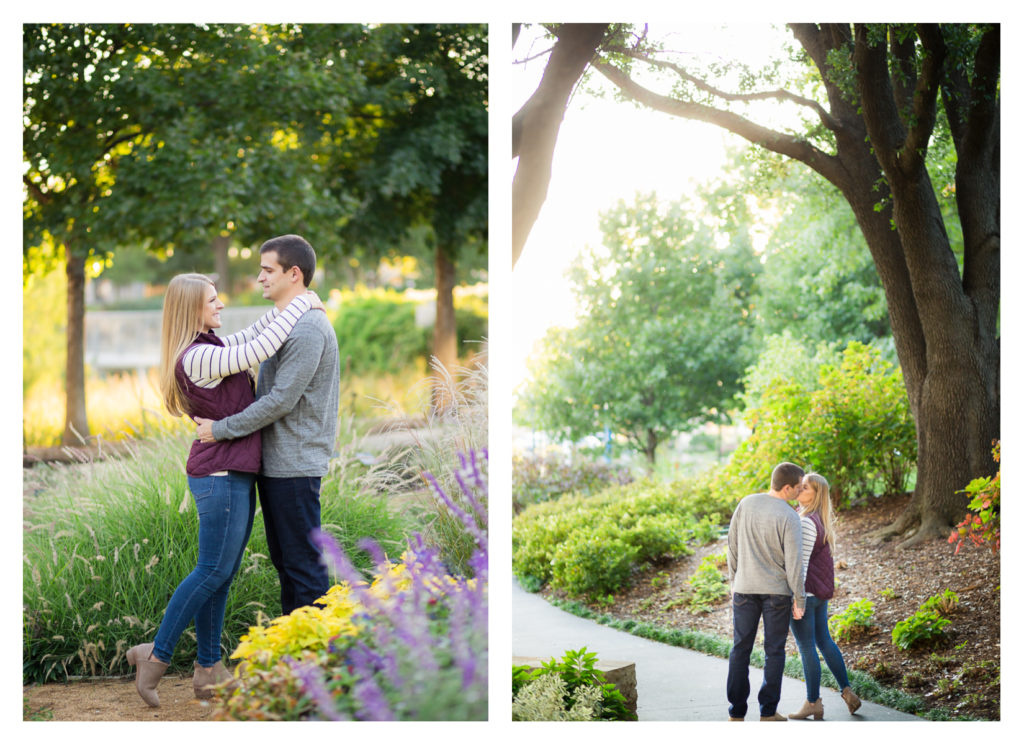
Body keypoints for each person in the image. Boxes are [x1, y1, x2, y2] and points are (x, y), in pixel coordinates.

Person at [126, 272, 320, 707]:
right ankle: (155, 656)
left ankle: (209, 668)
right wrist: (304, 303)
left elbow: (253, 334)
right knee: (211, 570)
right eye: (213, 300)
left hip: (233, 473)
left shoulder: (211, 347)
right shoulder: (195, 357)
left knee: (221, 572)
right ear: (191, 308)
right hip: (218, 476)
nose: (221, 305)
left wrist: (291, 304)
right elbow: (260, 347)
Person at [196, 234, 340, 617]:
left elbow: (279, 401)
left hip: (295, 465)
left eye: (267, 270)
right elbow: (238, 347)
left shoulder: (307, 328)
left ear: (294, 274)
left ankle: (320, 662)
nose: (259, 278)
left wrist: (219, 429)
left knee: (304, 568)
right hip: (279, 465)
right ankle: (293, 659)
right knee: (287, 564)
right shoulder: (284, 321)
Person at [726, 462, 806, 721]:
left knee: (740, 649)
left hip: (744, 589)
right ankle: (768, 713)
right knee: (774, 652)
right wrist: (799, 598)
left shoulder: (746, 503)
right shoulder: (789, 516)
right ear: (786, 488)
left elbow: (732, 547)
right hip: (777, 594)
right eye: (798, 487)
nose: (800, 491)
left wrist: (735, 580)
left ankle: (736, 713)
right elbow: (794, 563)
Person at [787, 472, 862, 720]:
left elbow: (802, 564)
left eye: (805, 487)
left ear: (816, 494)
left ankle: (812, 702)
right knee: (823, 641)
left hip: (806, 594)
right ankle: (848, 692)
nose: (799, 489)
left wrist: (796, 597)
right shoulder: (818, 519)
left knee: (806, 646)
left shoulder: (807, 522)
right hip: (817, 593)